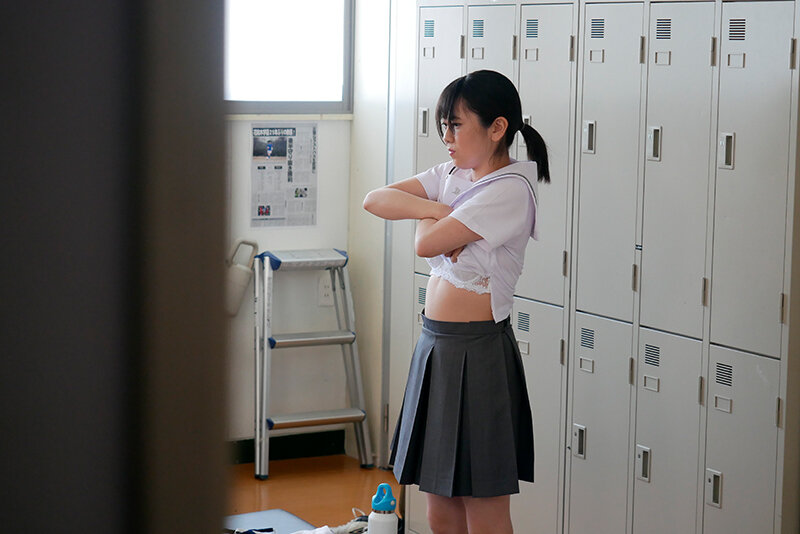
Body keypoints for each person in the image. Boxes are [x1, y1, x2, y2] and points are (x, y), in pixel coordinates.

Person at [363, 69, 550, 534]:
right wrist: (437, 210)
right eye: (443, 125)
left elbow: (424, 245)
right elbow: (375, 200)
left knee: (483, 507)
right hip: (436, 348)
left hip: (478, 353)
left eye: (456, 125)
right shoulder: (450, 175)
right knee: (439, 506)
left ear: (497, 127)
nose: (446, 137)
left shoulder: (509, 189)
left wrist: (425, 216)